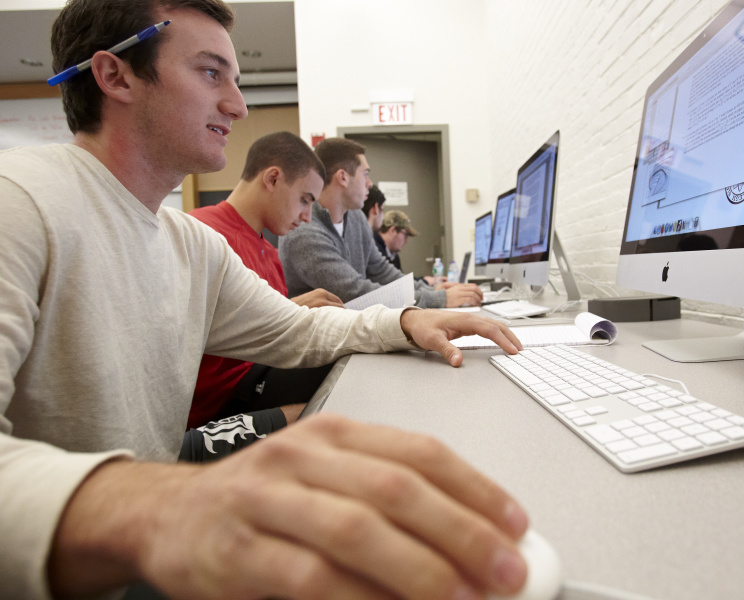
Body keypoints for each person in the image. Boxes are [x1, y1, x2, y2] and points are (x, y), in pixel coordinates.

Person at [0, 1, 530, 599]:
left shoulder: (191, 244)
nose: (237, 105)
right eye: (210, 73)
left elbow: (298, 330)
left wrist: (411, 319)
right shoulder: (21, 203)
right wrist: (157, 507)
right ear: (115, 75)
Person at [182, 131, 341, 458]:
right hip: (219, 401)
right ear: (272, 178)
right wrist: (290, 309)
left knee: (343, 352)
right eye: (305, 199)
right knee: (334, 369)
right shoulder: (199, 235)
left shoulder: (269, 251)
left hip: (255, 375)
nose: (307, 216)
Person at [280, 137, 484, 307]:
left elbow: (381, 272)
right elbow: (355, 293)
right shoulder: (304, 232)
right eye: (365, 174)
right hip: (322, 347)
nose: (370, 184)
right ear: (342, 177)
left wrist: (429, 290)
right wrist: (437, 299)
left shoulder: (356, 217)